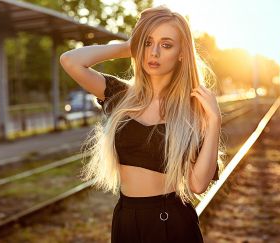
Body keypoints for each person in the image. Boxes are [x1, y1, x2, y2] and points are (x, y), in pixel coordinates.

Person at [60, 5, 225, 243]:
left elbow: (197, 184)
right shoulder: (120, 95)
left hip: (171, 222)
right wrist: (129, 46)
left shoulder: (191, 109)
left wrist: (214, 121)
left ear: (181, 53)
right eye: (148, 43)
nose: (154, 52)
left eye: (166, 44)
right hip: (126, 219)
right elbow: (70, 61)